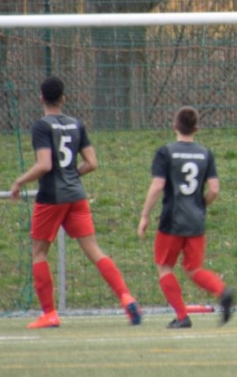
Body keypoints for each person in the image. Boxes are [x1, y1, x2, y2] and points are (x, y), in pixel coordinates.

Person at [10, 76, 142, 329]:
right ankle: (127, 297)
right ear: (63, 98)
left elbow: (44, 165)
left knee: (39, 253)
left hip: (51, 197)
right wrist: (72, 175)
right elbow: (92, 163)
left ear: (41, 98)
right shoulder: (76, 124)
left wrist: (19, 181)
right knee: (94, 251)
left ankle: (49, 314)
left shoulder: (41, 127)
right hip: (77, 196)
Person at [137, 106, 235, 329]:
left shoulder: (166, 152)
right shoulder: (205, 154)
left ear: (175, 126)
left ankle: (182, 316)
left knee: (165, 267)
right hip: (196, 220)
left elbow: (157, 186)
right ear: (196, 129)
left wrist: (144, 216)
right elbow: (214, 189)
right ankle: (222, 290)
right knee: (194, 269)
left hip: (171, 220)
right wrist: (200, 204)